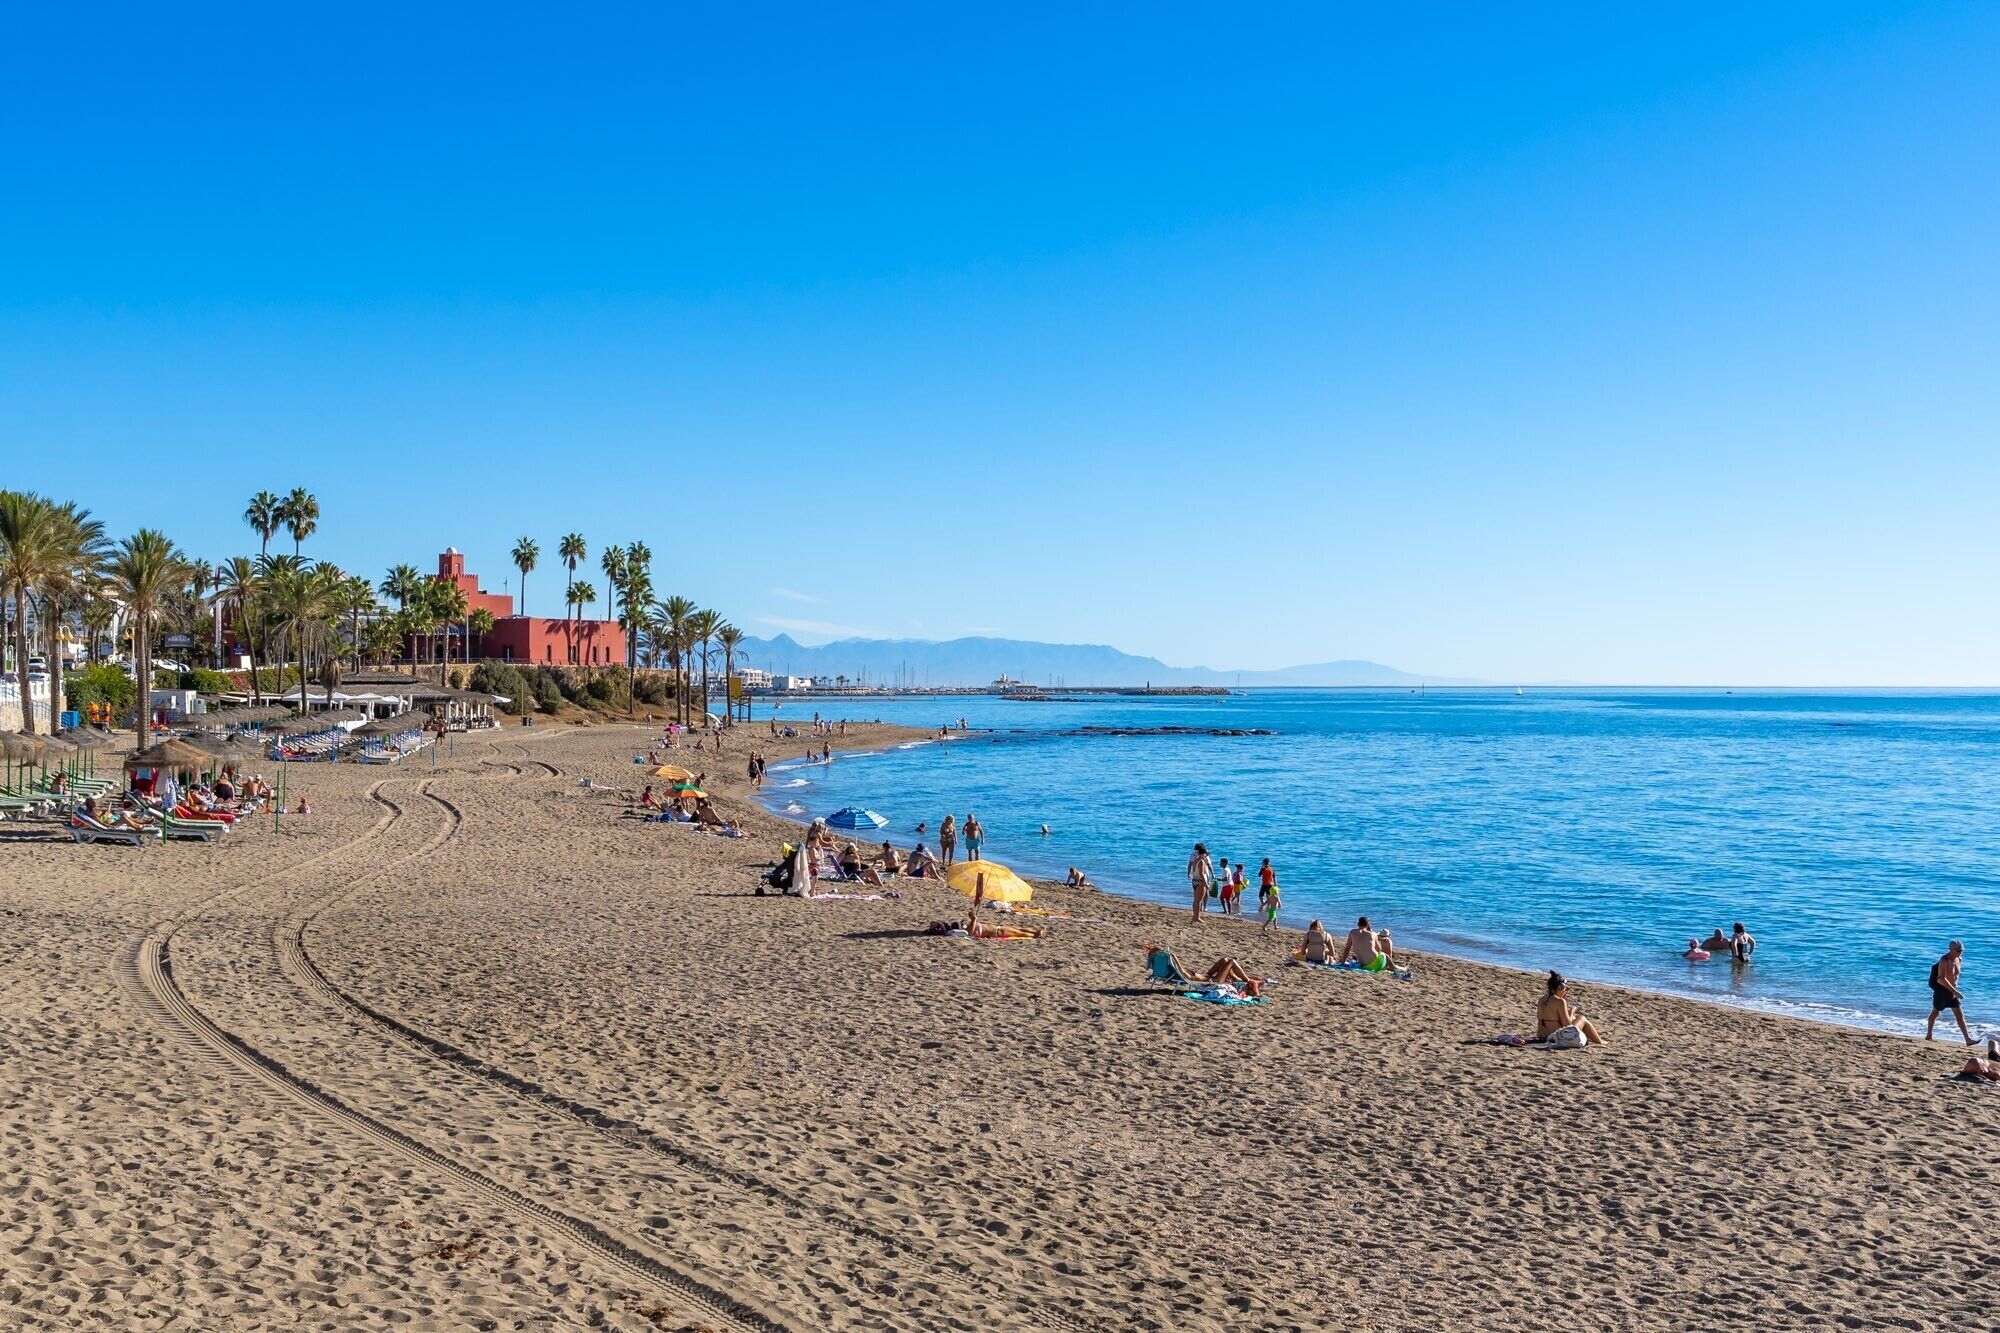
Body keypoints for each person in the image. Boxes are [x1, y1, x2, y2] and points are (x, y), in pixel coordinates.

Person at [1535, 972, 1604, 1046]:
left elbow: (1552, 1015)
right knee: (1582, 1018)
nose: (1565, 992)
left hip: (1542, 1036)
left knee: (1575, 1018)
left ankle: (1593, 1038)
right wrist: (1572, 1011)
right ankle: (1599, 1041)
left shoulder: (1542, 999)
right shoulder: (1560, 1001)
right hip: (1557, 1037)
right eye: (1564, 989)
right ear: (1557, 989)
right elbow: (1568, 1025)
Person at [1927, 941, 1974, 1045]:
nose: (1960, 953)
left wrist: (1955, 990)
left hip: (1952, 991)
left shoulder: (1959, 959)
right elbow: (1941, 979)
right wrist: (1955, 991)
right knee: (1935, 1012)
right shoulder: (1944, 960)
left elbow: (1955, 977)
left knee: (1959, 1014)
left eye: (1961, 951)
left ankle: (1968, 1039)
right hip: (1942, 990)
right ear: (1951, 950)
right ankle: (1929, 1035)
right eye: (1958, 951)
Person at [1188, 843, 1213, 923]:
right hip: (1200, 881)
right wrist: (1206, 884)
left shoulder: (1195, 860)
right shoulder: (1201, 861)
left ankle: (1194, 916)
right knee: (1199, 901)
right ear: (1203, 854)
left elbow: (1192, 868)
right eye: (1206, 854)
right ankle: (1197, 917)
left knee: (1195, 900)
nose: (1206, 856)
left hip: (1194, 881)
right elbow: (1202, 874)